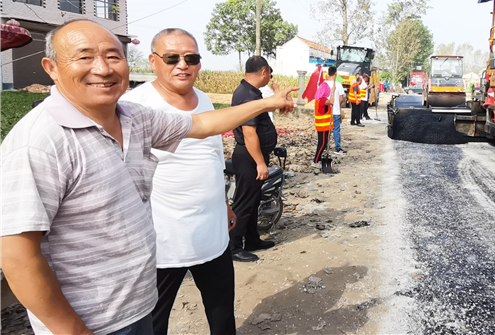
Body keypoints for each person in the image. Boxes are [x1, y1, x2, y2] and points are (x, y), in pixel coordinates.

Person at [0, 20, 295, 335]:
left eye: (113, 56)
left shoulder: (133, 118)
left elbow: (202, 126)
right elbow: (16, 255)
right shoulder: (39, 142)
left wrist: (268, 102)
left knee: (217, 311)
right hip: (95, 320)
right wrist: (73, 331)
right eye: (84, 57)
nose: (102, 68)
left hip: (138, 300)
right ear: (51, 68)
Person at [120, 28, 236, 335]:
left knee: (223, 313)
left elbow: (214, 158)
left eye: (191, 58)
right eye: (172, 58)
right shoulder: (133, 106)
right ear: (153, 61)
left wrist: (225, 203)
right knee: (153, 322)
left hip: (212, 234)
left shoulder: (205, 100)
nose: (182, 65)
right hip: (163, 241)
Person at [229, 56, 279, 263]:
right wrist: (260, 162)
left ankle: (251, 239)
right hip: (249, 156)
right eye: (270, 74)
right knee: (243, 202)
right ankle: (233, 246)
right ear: (264, 71)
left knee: (253, 200)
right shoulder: (248, 96)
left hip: (252, 155)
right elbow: (249, 134)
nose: (270, 78)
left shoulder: (250, 92)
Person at [312, 68, 337, 167]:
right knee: (322, 144)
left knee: (323, 143)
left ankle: (318, 160)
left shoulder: (321, 99)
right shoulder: (322, 100)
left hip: (324, 126)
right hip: (322, 126)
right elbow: (331, 102)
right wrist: (333, 92)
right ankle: (315, 161)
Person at [324, 67, 346, 155]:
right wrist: (337, 105)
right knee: (336, 130)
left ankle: (325, 146)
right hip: (335, 110)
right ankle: (338, 147)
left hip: (326, 111)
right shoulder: (338, 85)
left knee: (326, 129)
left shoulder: (324, 84)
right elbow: (341, 99)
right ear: (335, 74)